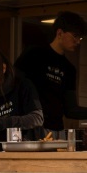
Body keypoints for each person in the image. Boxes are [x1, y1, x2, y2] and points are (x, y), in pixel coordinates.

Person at [15, 11, 87, 139]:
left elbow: (70, 109)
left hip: (57, 129)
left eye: (80, 38)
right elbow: (14, 85)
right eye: (75, 36)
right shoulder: (34, 54)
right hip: (33, 129)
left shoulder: (69, 69)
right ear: (60, 33)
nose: (78, 41)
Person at [0, 43, 44, 141]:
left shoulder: (23, 85)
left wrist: (8, 122)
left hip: (26, 147)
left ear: (3, 68)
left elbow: (38, 118)